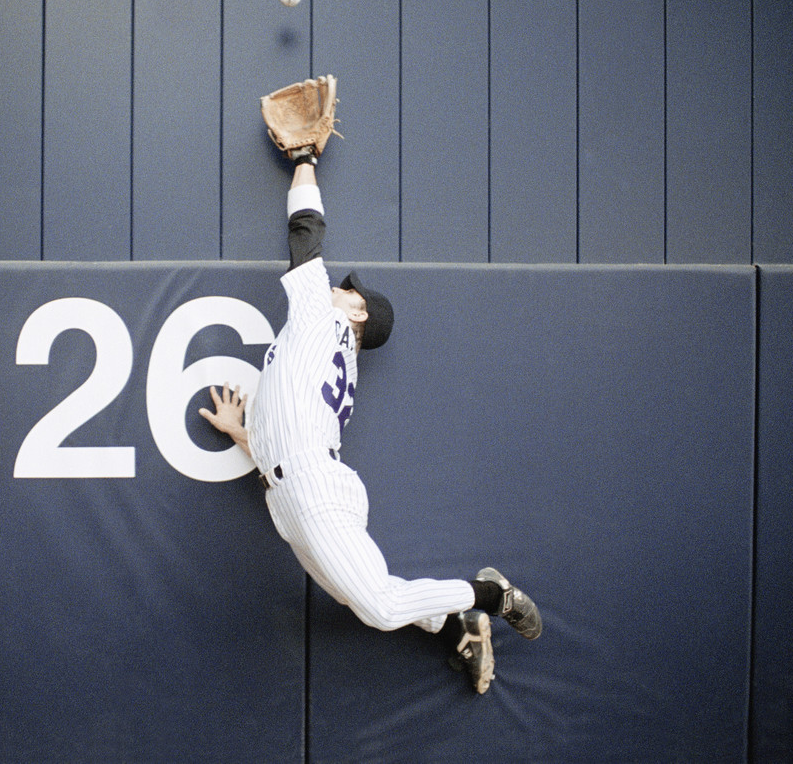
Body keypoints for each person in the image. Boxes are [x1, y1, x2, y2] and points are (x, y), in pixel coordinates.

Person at [199, 135, 541, 694]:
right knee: (355, 596)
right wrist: (245, 432)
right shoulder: (322, 347)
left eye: (349, 291)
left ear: (356, 312)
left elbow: (305, 231)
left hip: (311, 485)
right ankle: (456, 623)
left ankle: (490, 594)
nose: (338, 286)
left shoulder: (322, 320)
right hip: (298, 487)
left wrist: (304, 160)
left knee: (378, 605)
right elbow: (294, 422)